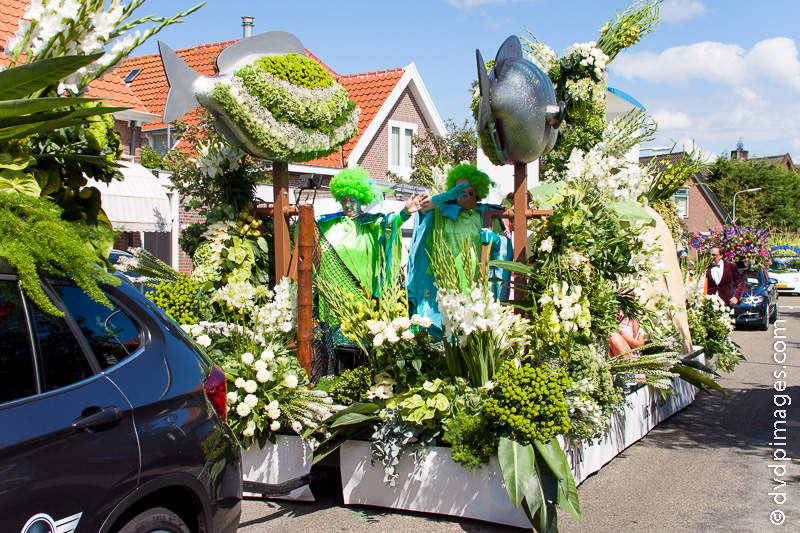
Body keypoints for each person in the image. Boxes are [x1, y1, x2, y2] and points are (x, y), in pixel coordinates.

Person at [407, 164, 512, 339]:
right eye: (459, 190)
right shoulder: (441, 211)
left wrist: (495, 239)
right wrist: (445, 197)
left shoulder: (487, 214)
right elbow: (422, 207)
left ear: (477, 191)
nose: (464, 195)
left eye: (469, 191)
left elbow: (506, 246)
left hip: (478, 283)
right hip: (447, 284)